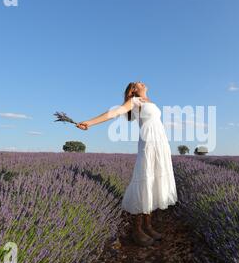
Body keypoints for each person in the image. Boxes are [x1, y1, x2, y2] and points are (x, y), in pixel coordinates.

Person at [76, 81, 178, 246]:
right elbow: (113, 113)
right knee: (144, 181)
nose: (142, 83)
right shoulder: (134, 102)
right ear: (134, 90)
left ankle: (148, 226)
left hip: (161, 144)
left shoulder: (149, 102)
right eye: (138, 83)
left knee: (152, 183)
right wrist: (89, 122)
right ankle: (136, 231)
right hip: (149, 144)